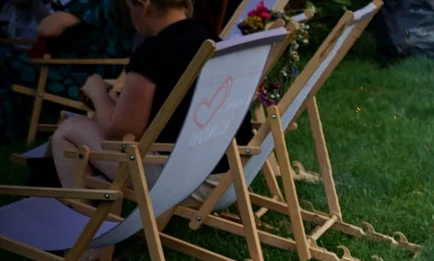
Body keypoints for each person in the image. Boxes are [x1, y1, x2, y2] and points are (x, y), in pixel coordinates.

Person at [45, 0, 252, 189]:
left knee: (68, 130)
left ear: (144, 5)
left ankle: (83, 219)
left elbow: (118, 134)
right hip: (233, 172)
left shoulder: (153, 53)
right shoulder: (210, 38)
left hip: (184, 182)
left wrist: (97, 90)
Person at [0, 0, 131, 140]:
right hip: (97, 75)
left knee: (3, 57)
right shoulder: (114, 5)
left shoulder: (91, 4)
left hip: (80, 80)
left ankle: (7, 132)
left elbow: (46, 29)